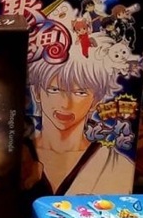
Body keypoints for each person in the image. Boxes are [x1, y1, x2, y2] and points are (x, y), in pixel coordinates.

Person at [24, 39, 134, 196]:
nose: (65, 104)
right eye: (54, 90)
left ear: (95, 100)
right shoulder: (17, 154)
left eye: (80, 93)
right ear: (36, 92)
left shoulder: (116, 166)